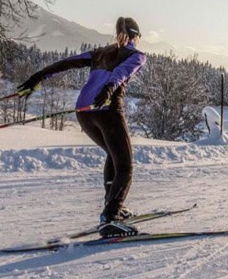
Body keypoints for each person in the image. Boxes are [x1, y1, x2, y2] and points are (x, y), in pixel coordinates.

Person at [16, 17, 147, 238]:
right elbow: (121, 73)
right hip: (107, 109)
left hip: (84, 112)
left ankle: (113, 206)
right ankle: (110, 217)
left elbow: (68, 62)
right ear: (135, 36)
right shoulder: (136, 55)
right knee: (125, 166)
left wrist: (37, 77)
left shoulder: (100, 53)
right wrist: (109, 88)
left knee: (112, 154)